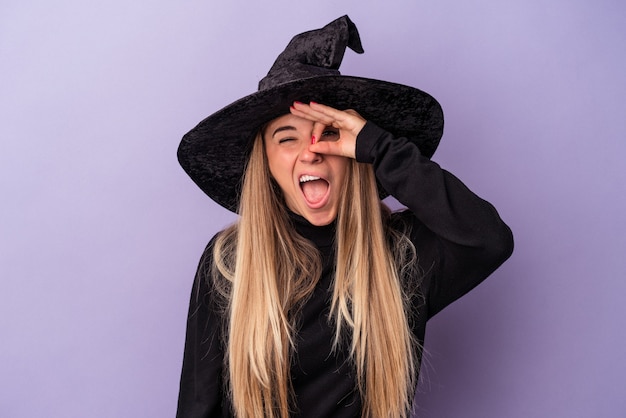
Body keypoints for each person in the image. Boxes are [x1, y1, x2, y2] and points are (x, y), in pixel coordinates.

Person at [176, 16, 513, 418]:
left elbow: (489, 239)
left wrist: (381, 147)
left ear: (355, 153)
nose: (312, 151)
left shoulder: (401, 256)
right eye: (288, 138)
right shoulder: (230, 263)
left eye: (329, 134)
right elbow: (198, 406)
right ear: (265, 163)